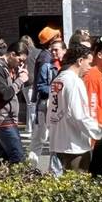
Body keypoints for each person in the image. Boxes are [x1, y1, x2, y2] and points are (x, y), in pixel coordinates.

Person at [48, 43, 102, 172]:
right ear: (80, 61)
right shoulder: (75, 82)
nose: (90, 67)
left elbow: (51, 114)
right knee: (76, 187)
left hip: (57, 142)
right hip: (74, 146)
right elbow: (80, 116)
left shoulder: (57, 80)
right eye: (89, 63)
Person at [0, 41, 28, 166]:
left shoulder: (4, 67)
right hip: (2, 120)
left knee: (3, 158)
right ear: (12, 54)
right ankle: (13, 183)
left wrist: (18, 79)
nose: (21, 64)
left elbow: (9, 92)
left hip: (4, 118)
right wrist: (20, 81)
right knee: (17, 157)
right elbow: (5, 94)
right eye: (20, 60)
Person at [31, 35, 66, 174]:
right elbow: (41, 87)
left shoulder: (67, 67)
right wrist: (55, 90)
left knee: (57, 139)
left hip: (61, 108)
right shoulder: (47, 66)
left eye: (56, 50)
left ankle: (55, 171)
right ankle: (30, 167)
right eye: (52, 50)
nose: (53, 53)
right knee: (40, 137)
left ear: (64, 51)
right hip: (46, 105)